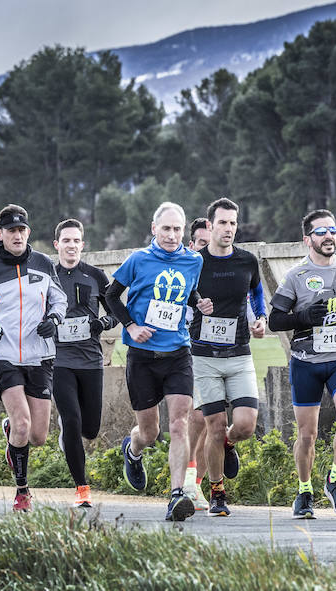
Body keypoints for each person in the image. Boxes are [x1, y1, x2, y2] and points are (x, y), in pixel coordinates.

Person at [104, 201, 208, 521]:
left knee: (180, 423)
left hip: (178, 354)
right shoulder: (138, 260)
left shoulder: (194, 261)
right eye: (166, 228)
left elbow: (188, 292)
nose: (172, 235)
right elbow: (110, 296)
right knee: (150, 433)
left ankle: (177, 495)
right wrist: (132, 327)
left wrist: (199, 303)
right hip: (143, 359)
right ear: (154, 229)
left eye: (178, 229)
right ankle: (133, 451)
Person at [0, 205, 68, 512]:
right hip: (4, 355)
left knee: (37, 436)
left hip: (40, 355)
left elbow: (59, 299)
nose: (17, 235)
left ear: (28, 233)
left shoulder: (44, 263)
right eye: (11, 231)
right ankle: (22, 492)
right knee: (23, 425)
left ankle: (12, 433)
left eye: (22, 230)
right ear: (0, 235)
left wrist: (55, 318)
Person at [269, 209, 336, 518]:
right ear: (307, 240)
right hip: (306, 362)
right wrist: (303, 317)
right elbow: (275, 320)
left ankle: (335, 481)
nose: (329, 236)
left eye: (333, 230)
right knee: (307, 435)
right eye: (321, 232)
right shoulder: (296, 276)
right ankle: (304, 490)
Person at [189, 198, 267, 517]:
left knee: (245, 425)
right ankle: (218, 492)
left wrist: (260, 318)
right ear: (210, 226)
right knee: (215, 424)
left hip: (239, 353)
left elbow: (257, 293)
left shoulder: (247, 260)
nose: (229, 228)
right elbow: (182, 295)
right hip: (204, 355)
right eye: (223, 222)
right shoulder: (194, 262)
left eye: (233, 223)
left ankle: (229, 445)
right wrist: (197, 303)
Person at [48, 218, 117, 508]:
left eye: (76, 241)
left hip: (91, 360)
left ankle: (69, 429)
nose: (71, 245)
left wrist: (103, 322)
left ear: (82, 245)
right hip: (58, 361)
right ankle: (82, 488)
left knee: (90, 428)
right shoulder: (46, 276)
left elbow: (116, 312)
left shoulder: (96, 276)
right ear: (57, 245)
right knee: (74, 423)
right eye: (66, 240)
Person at [184, 216, 212, 510]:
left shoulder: (226, 268)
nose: (207, 248)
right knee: (198, 417)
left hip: (223, 351)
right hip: (186, 349)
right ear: (192, 245)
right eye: (202, 243)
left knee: (213, 421)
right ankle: (190, 481)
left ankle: (198, 484)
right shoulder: (184, 270)